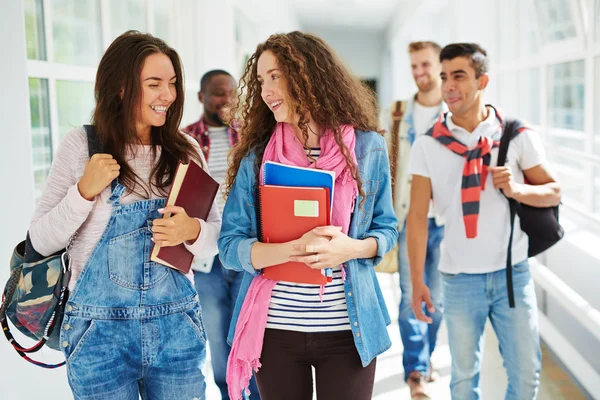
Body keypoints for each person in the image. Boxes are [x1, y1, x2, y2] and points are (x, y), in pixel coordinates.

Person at [28, 31, 220, 400]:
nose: (168, 95)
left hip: (177, 331)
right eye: (154, 84)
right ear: (120, 87)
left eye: (173, 83)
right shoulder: (83, 146)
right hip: (98, 339)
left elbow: (216, 243)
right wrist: (83, 191)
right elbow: (40, 241)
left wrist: (192, 230)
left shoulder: (185, 150)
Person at [217, 31, 398, 400]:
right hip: (274, 332)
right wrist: (291, 250)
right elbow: (229, 245)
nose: (266, 91)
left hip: (349, 330)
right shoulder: (256, 156)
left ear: (309, 75)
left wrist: (351, 249)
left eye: (276, 76)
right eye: (261, 80)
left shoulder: (367, 147)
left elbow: (387, 228)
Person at [407, 43, 561, 399]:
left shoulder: (515, 135)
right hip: (458, 280)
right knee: (463, 380)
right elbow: (416, 218)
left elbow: (553, 192)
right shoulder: (429, 144)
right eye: (444, 76)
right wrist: (417, 281)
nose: (448, 86)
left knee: (525, 377)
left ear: (483, 80)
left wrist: (517, 189)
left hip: (512, 275)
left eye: (459, 76)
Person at [184, 70, 261, 400]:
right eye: (218, 93)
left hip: (243, 249)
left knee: (250, 334)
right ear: (201, 97)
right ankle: (230, 395)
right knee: (216, 337)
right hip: (205, 259)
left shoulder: (249, 137)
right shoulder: (184, 140)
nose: (227, 100)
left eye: (232, 93)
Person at [383, 41, 446, 399]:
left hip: (450, 222)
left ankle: (429, 356)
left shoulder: (455, 111)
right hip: (409, 219)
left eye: (426, 65)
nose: (420, 73)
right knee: (410, 297)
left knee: (438, 299)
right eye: (414, 66)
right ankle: (416, 369)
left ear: (441, 66)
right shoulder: (397, 112)